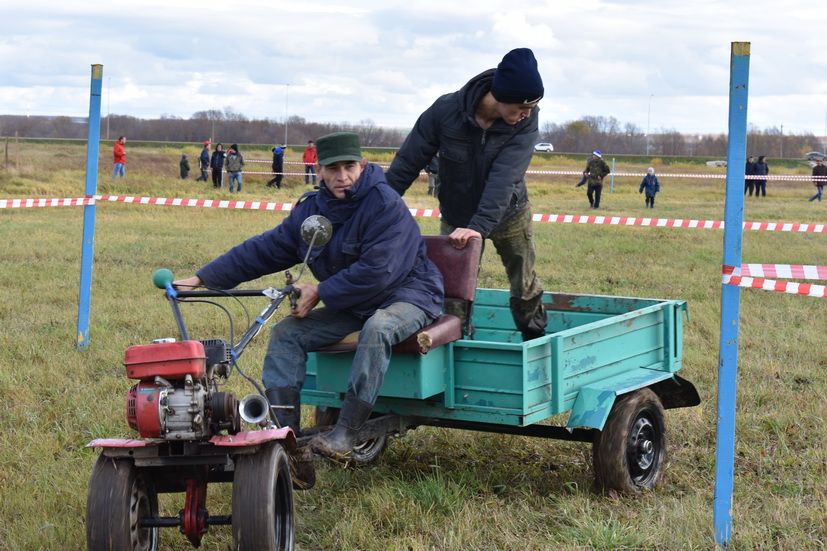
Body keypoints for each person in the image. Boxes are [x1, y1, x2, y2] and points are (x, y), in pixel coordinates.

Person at [173, 132, 444, 460]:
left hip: (409, 294)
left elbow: (379, 271)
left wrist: (321, 291)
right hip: (356, 303)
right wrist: (202, 278)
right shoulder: (312, 211)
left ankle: (348, 432)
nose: (342, 176)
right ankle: (287, 443)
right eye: (333, 168)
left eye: (349, 167)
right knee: (287, 334)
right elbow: (266, 249)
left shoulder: (384, 203)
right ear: (319, 171)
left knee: (379, 327)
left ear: (363, 165)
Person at [386, 47, 547, 341]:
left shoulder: (525, 123)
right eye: (524, 106)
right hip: (457, 214)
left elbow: (505, 178)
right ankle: (456, 349)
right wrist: (378, 206)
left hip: (510, 213)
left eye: (533, 107)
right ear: (502, 95)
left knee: (524, 286)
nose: (529, 113)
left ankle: (534, 340)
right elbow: (407, 163)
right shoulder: (445, 111)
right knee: (452, 290)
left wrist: (477, 228)